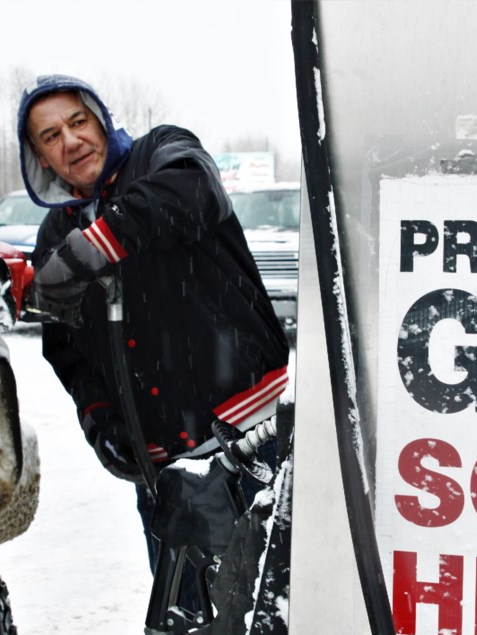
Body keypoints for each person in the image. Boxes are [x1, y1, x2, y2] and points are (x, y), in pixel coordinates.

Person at [16, 74, 290, 593]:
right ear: (39, 157)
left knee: (273, 607)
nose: (71, 141)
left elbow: (195, 188)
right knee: (187, 617)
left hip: (254, 436)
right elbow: (67, 351)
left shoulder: (163, 152)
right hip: (162, 467)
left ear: (100, 120)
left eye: (78, 122)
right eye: (51, 136)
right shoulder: (54, 233)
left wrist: (95, 247)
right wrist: (100, 420)